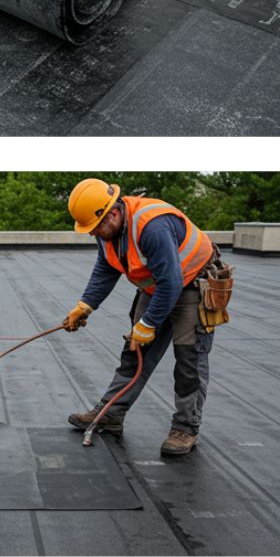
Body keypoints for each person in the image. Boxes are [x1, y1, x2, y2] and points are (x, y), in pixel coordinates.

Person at [60, 178, 228, 456]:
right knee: (135, 352)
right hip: (159, 286)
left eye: (96, 227)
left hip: (192, 287)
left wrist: (148, 323)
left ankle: (186, 428)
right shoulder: (106, 231)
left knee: (189, 360)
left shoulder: (153, 227)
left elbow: (172, 283)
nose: (93, 234)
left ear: (113, 213)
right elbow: (106, 267)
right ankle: (111, 414)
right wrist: (86, 305)